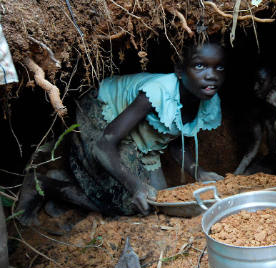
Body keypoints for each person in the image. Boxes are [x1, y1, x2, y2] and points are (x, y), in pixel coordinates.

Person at [16, 42, 226, 225]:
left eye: (219, 67)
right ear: (180, 71)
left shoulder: (207, 99)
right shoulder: (155, 93)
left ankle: (64, 189)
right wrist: (135, 186)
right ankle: (47, 185)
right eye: (200, 66)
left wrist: (198, 172)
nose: (211, 76)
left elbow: (175, 142)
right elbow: (104, 145)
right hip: (102, 112)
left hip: (137, 133)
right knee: (130, 203)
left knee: (158, 203)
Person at [234, 66, 276, 174]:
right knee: (247, 174)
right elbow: (256, 144)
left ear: (275, 81)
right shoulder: (261, 106)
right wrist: (235, 174)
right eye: (254, 82)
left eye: (261, 82)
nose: (255, 87)